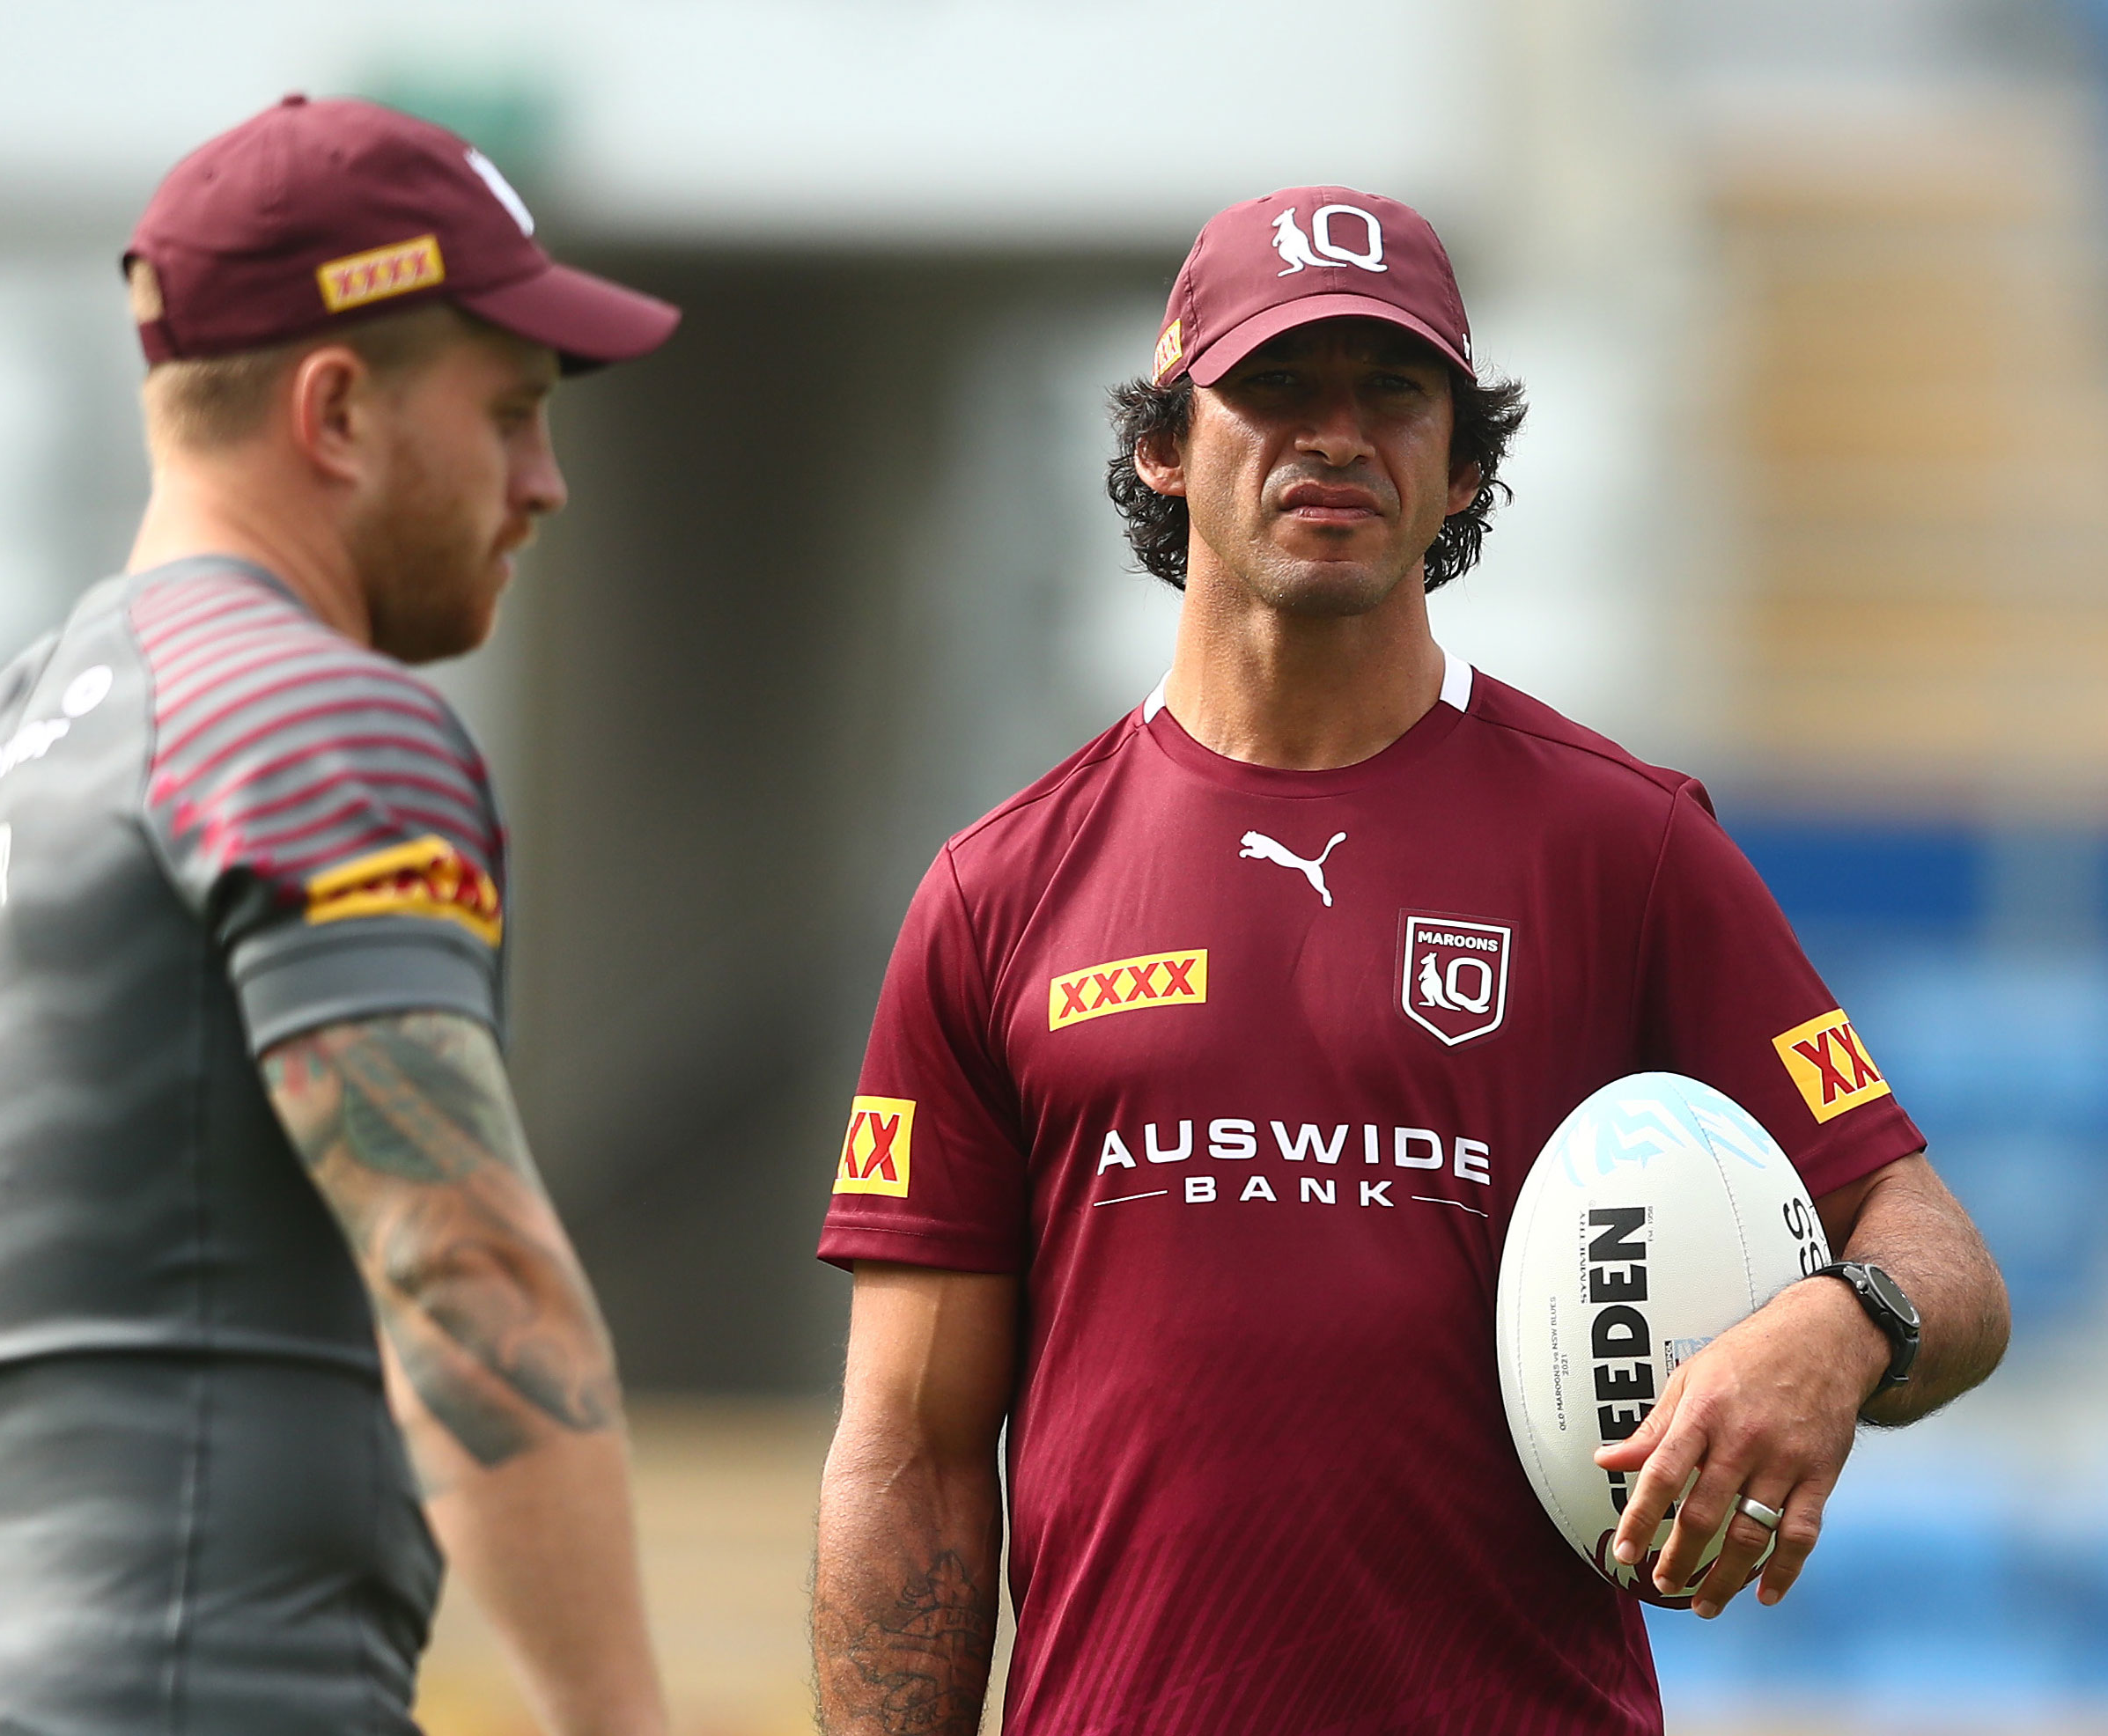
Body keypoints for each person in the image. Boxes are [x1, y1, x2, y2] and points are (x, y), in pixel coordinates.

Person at [808, 187, 2010, 1734]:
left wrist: (1847, 1326)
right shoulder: (999, 890)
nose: (1336, 436)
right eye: (1277, 386)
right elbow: (907, 1454)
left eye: (1394, 391)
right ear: (1164, 446)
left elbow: (1943, 1260)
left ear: (1463, 470)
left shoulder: (1624, 846)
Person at [0, 97, 678, 1736]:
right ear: (339, 409)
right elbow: (469, 1273)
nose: (545, 482)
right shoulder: (304, 715)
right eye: (508, 413)